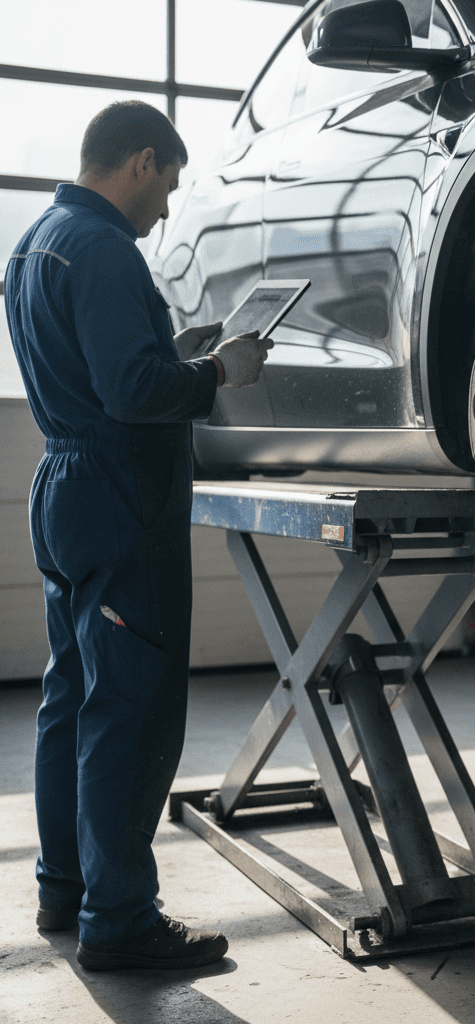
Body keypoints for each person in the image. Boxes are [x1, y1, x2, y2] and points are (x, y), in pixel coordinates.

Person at [4, 100, 272, 971]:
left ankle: (66, 891)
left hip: (65, 485)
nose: (166, 208)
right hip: (122, 495)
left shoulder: (35, 241)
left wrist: (174, 348)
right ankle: (120, 923)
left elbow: (98, 366)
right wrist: (217, 371)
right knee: (129, 708)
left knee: (73, 698)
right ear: (140, 161)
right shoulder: (108, 250)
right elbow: (131, 393)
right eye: (167, 185)